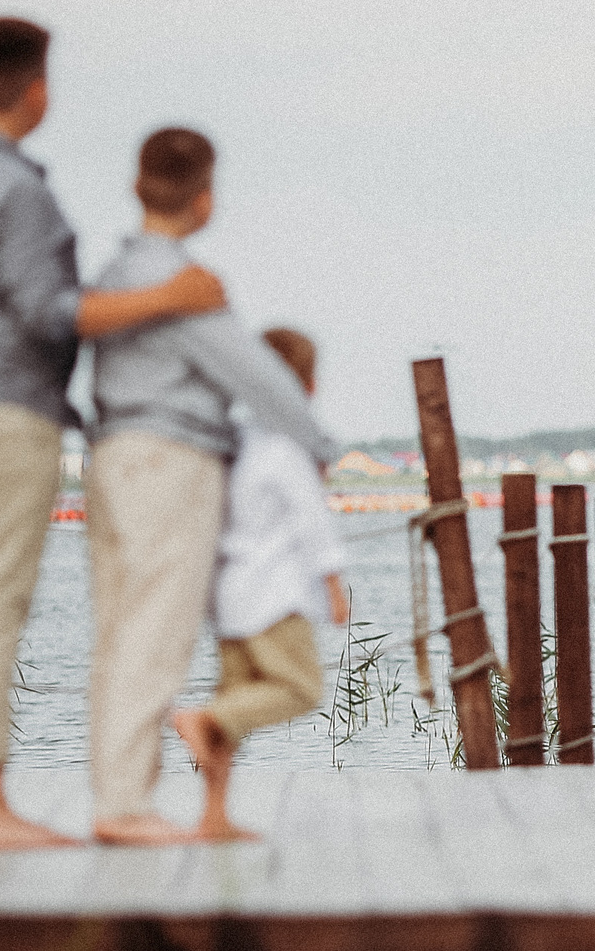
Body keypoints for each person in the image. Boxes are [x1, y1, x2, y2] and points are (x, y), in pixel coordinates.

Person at [0, 17, 228, 852]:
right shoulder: (19, 192)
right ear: (38, 90)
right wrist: (168, 298)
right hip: (7, 406)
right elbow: (48, 311)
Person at [84, 128, 341, 846]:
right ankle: (125, 808)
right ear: (205, 200)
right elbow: (259, 377)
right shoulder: (187, 287)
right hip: (169, 461)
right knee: (157, 634)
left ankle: (118, 796)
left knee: (118, 630)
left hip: (108, 454)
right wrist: (320, 448)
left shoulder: (111, 276)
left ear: (136, 187)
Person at [173, 327, 349, 842]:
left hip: (229, 597)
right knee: (298, 688)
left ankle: (213, 814)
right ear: (308, 386)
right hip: (276, 597)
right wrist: (334, 586)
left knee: (235, 704)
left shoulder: (230, 444)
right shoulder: (285, 449)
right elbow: (312, 522)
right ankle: (202, 718)